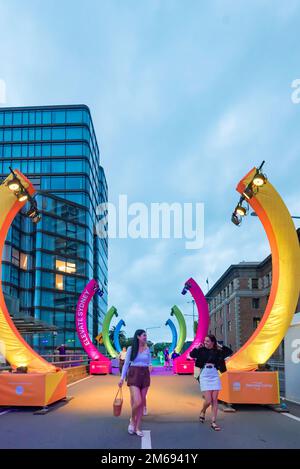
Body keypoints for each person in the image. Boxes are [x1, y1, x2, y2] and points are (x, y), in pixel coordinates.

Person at [190, 335, 232, 431]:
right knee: (208, 400)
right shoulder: (201, 350)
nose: (205, 342)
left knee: (214, 400)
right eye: (205, 341)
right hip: (204, 375)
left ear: (213, 342)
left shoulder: (218, 351)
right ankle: (203, 411)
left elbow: (229, 352)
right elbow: (192, 355)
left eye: (208, 341)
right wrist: (197, 347)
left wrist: (219, 345)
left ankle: (213, 422)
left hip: (214, 375)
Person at [118, 329, 151, 437]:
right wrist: (122, 378)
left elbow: (149, 363)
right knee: (137, 401)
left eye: (146, 335)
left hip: (145, 375)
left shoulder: (147, 349)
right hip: (134, 374)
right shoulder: (131, 349)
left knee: (141, 403)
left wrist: (150, 367)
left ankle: (137, 427)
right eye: (143, 335)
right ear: (138, 337)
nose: (145, 337)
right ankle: (132, 420)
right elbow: (126, 364)